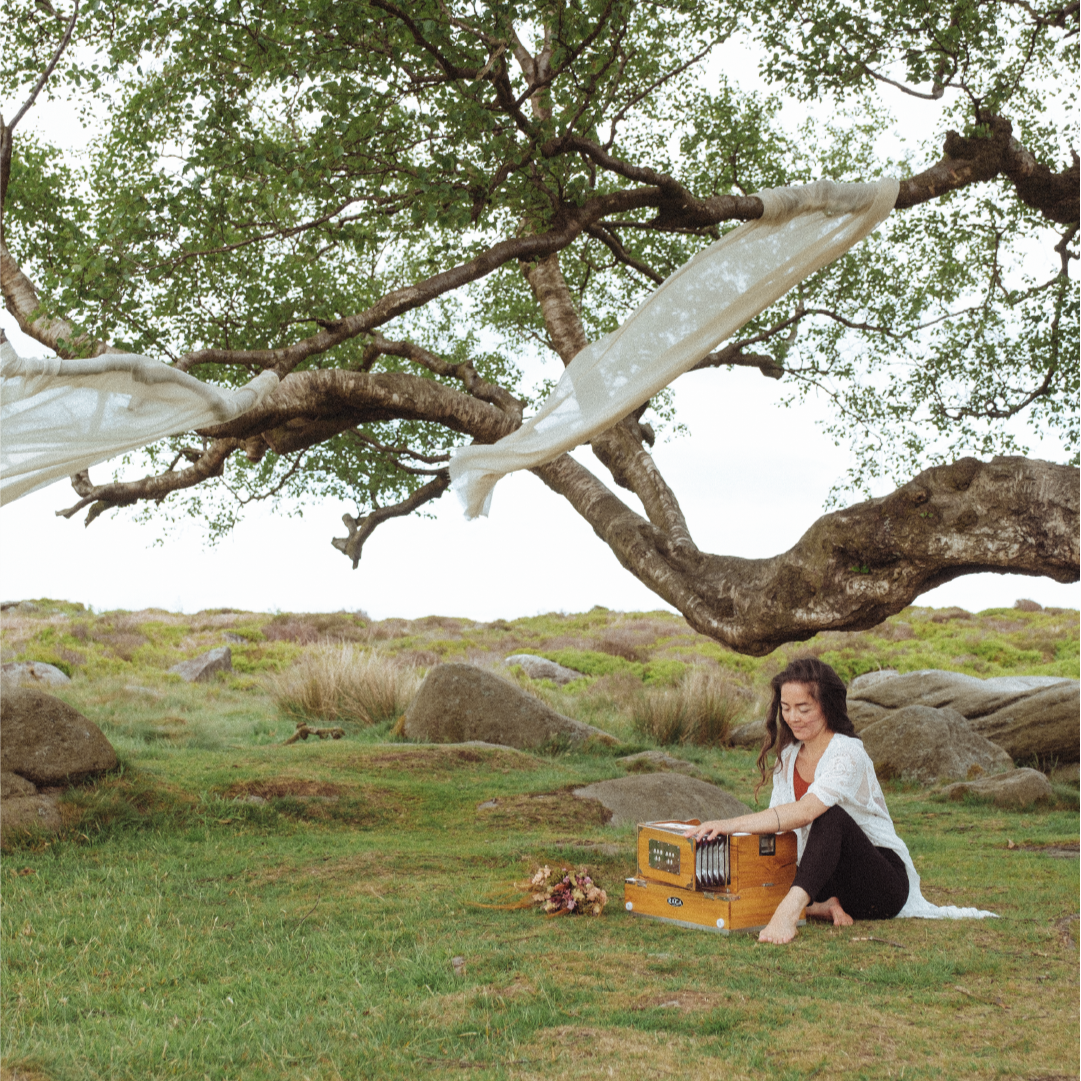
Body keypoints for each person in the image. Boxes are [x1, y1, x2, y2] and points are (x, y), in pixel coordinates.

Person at [687, 658, 914, 944]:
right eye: (786, 708)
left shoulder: (847, 753)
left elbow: (805, 812)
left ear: (826, 706)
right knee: (778, 846)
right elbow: (779, 821)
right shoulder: (789, 756)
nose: (793, 717)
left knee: (829, 816)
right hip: (826, 878)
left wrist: (729, 824)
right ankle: (819, 906)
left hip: (880, 886)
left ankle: (788, 914)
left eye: (803, 708)